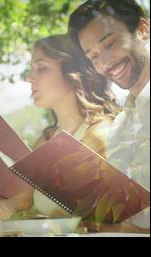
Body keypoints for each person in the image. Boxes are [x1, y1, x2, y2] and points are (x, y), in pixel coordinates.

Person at [0, 34, 121, 223]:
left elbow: (101, 223)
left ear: (73, 73)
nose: (30, 78)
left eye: (41, 68)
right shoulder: (46, 140)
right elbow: (29, 201)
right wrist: (2, 203)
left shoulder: (99, 137)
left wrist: (16, 217)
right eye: (32, 69)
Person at [68, 0, 150, 232]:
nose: (105, 63)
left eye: (111, 43)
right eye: (93, 56)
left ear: (143, 30)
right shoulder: (122, 125)